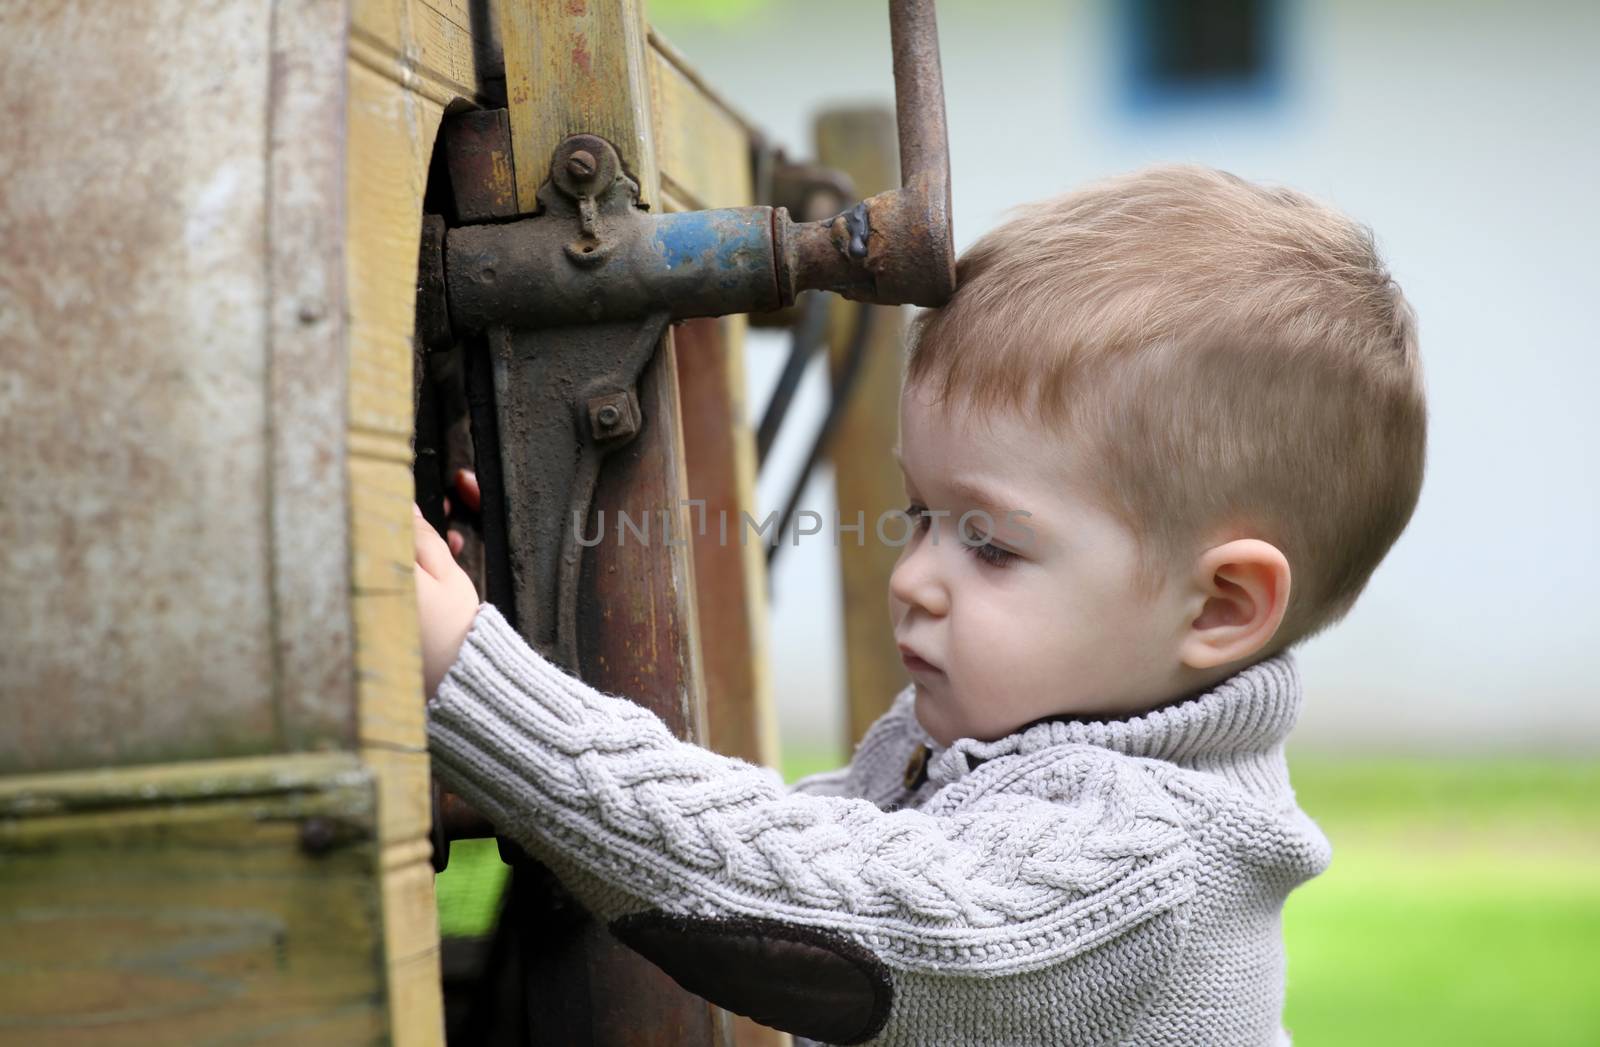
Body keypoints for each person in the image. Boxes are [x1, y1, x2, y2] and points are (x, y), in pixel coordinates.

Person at [412, 164, 1428, 1046]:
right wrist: (520, 617)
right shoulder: (1014, 737)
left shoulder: (1141, 862)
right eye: (918, 515)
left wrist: (474, 679)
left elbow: (786, 902)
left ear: (1218, 607)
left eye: (988, 542)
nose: (911, 578)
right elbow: (765, 836)